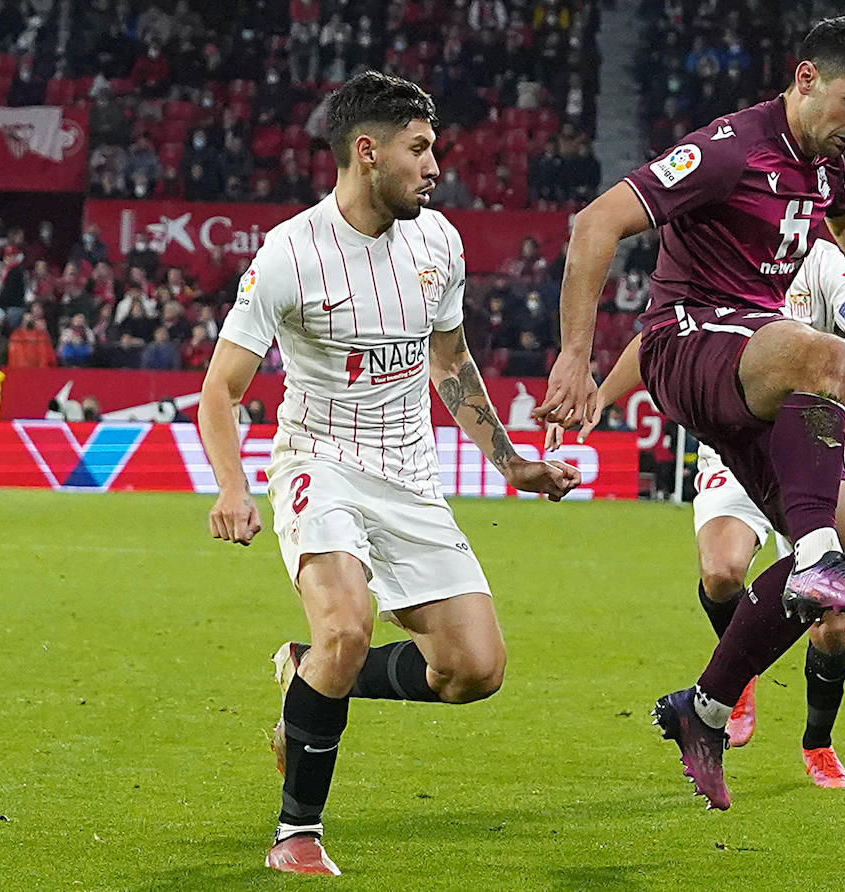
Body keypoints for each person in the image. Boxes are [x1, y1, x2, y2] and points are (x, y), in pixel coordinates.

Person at [198, 71, 581, 875]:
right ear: (366, 152)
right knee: (347, 625)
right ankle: (296, 833)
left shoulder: (439, 244)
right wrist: (232, 487)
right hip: (321, 463)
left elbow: (449, 362)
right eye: (419, 148)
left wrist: (511, 463)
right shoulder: (290, 254)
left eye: (433, 147)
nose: (435, 164)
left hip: (409, 476)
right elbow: (220, 391)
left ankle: (309, 676)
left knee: (474, 671)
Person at [535, 17, 845, 809]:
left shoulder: (823, 165)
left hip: (749, 365)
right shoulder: (729, 149)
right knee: (829, 356)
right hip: (687, 343)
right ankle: (810, 558)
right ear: (806, 77)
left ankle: (703, 709)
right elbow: (594, 223)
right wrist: (577, 357)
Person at [550, 237, 845, 789]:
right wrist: (599, 398)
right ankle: (736, 678)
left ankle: (818, 743)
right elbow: (655, 343)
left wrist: (825, 349)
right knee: (720, 573)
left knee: (832, 622)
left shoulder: (825, 262)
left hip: (808, 444)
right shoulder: (726, 255)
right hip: (729, 446)